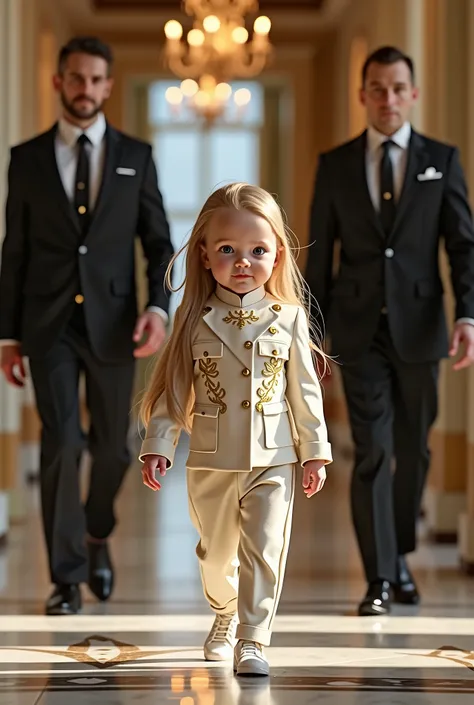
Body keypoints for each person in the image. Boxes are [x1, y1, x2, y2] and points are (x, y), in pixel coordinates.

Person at [0, 36, 174, 615]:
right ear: (58, 82)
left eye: (96, 79)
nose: (85, 89)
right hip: (46, 327)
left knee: (114, 449)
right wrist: (7, 335)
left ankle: (98, 530)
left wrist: (157, 309)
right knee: (62, 444)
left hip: (117, 324)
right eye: (75, 78)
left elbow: (157, 242)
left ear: (108, 85)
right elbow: (14, 252)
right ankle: (66, 576)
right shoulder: (25, 159)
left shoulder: (136, 155)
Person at [305, 45, 474, 616]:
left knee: (414, 451)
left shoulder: (442, 160)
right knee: (372, 450)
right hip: (356, 332)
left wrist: (468, 315)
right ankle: (378, 577)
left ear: (413, 94)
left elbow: (462, 247)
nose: (387, 99)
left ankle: (398, 554)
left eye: (398, 88)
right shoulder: (334, 165)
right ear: (363, 95)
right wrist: (312, 337)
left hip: (423, 328)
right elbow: (319, 257)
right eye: (377, 88)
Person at [139, 183, 332, 676]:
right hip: (211, 457)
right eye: (227, 250)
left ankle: (253, 638)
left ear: (277, 255)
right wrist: (158, 445)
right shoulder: (192, 318)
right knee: (215, 553)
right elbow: (174, 388)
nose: (243, 261)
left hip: (275, 457)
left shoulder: (288, 319)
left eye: (257, 251)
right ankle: (223, 613)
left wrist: (314, 451)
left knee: (265, 551)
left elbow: (304, 392)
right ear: (204, 255)